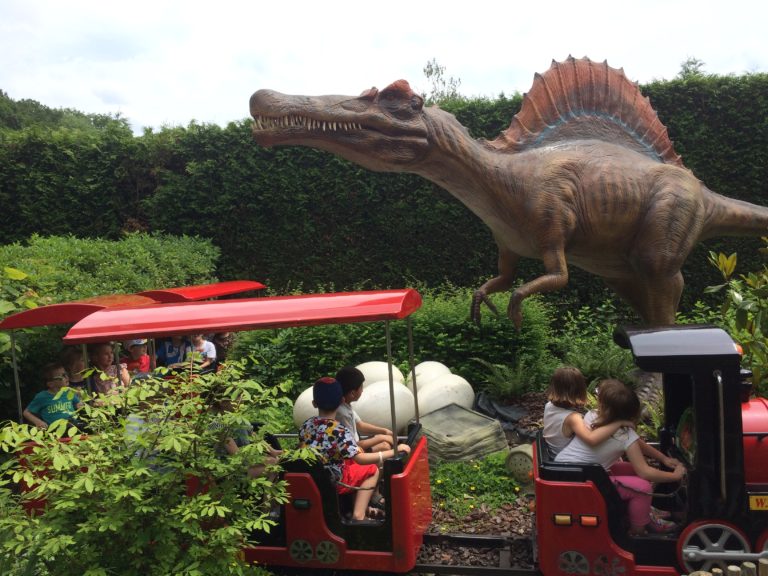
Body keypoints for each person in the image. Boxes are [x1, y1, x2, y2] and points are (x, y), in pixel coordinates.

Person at [555, 379, 686, 535]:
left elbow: (637, 443)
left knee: (631, 469)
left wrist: (663, 458)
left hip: (565, 470)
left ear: (604, 406)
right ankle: (638, 529)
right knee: (642, 487)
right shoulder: (624, 435)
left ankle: (643, 509)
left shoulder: (593, 415)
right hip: (579, 481)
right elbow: (645, 472)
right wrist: (675, 476)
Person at [298, 376, 411, 521]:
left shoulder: (306, 425)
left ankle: (354, 507)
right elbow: (360, 458)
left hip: (314, 475)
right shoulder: (339, 430)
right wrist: (394, 451)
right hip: (334, 479)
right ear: (341, 401)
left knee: (353, 465)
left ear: (314, 403)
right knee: (372, 470)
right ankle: (359, 514)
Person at [543, 366, 634, 457]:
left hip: (551, 452)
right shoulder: (573, 418)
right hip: (566, 459)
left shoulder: (549, 406)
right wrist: (619, 423)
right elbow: (592, 440)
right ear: (580, 390)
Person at [335, 366, 393, 453]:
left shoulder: (345, 405)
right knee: (385, 446)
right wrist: (381, 438)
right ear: (352, 393)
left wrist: (383, 431)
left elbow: (360, 425)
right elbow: (352, 446)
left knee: (385, 443)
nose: (362, 391)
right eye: (361, 387)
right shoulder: (342, 414)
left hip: (355, 444)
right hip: (352, 451)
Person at [23, 363, 83, 429]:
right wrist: (38, 422)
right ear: (50, 384)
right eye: (62, 376)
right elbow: (26, 412)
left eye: (66, 374)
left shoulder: (69, 391)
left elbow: (78, 405)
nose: (66, 377)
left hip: (73, 427)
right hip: (55, 430)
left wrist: (81, 400)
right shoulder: (42, 397)